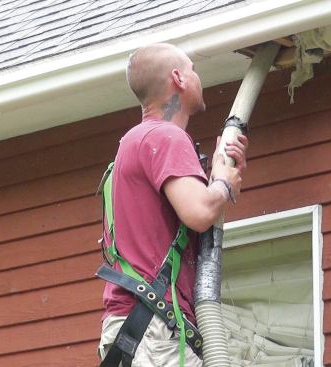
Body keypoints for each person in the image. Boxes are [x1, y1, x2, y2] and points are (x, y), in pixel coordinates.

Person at [98, 43, 248, 366]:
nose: (198, 76)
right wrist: (222, 183)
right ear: (178, 78)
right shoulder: (165, 136)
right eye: (192, 69)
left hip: (134, 331)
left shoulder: (135, 144)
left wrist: (219, 181)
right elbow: (199, 213)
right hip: (153, 332)